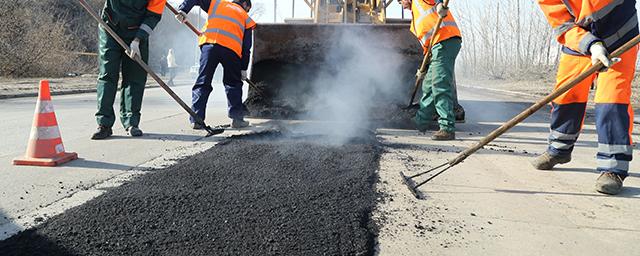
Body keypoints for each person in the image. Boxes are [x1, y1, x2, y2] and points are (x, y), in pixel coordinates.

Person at [532, 0, 638, 195]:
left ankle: (613, 169)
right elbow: (561, 23)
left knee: (611, 101)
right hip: (580, 40)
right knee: (566, 95)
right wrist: (592, 45)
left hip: (621, 34)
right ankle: (559, 149)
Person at [91, 0, 167, 140]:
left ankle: (131, 122)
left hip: (138, 32)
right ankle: (104, 124)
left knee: (135, 77)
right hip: (110, 27)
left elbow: (153, 15)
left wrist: (138, 40)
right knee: (107, 74)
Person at [175, 0, 256, 129]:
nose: (247, 11)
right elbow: (246, 48)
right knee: (233, 84)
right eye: (248, 9)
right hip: (231, 51)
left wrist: (183, 10)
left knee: (203, 82)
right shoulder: (246, 18)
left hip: (209, 46)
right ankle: (237, 119)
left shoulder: (218, 3)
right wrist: (243, 68)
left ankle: (197, 119)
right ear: (245, 4)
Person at [401, 0, 462, 140]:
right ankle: (420, 121)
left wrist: (440, 3)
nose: (401, 3)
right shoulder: (414, 22)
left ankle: (447, 128)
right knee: (428, 86)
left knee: (439, 84)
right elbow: (426, 45)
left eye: (400, 0)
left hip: (445, 40)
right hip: (435, 48)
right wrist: (425, 65)